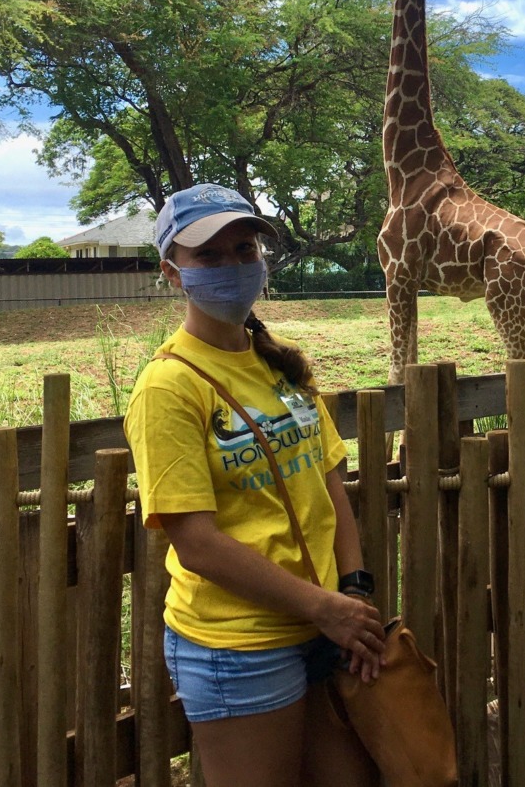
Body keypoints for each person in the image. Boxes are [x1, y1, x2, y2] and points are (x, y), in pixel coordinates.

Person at [125, 183, 386, 787]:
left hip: (323, 626)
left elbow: (330, 488)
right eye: (208, 257)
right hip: (239, 645)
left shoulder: (282, 364)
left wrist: (354, 590)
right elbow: (197, 544)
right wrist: (328, 609)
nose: (233, 267)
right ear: (172, 273)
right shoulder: (169, 387)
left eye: (244, 250)